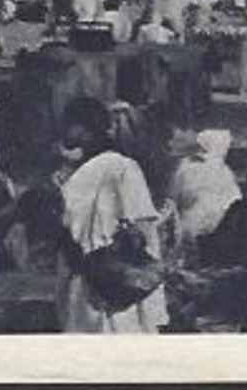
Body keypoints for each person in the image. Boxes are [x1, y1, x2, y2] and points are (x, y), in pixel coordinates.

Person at [56, 97, 169, 334]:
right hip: (120, 285)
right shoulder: (123, 168)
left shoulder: (74, 178)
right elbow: (145, 233)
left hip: (84, 285)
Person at [167, 128, 243, 242]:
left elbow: (173, 196)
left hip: (193, 224)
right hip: (210, 225)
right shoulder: (222, 170)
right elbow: (235, 199)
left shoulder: (185, 165)